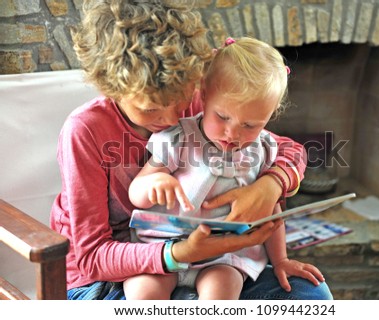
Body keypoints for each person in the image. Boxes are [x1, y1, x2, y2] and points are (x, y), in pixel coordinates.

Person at [50, 0, 333, 300]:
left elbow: (290, 150)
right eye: (151, 109)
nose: (173, 119)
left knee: (312, 296)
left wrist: (270, 185)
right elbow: (92, 257)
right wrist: (179, 254)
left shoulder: (200, 101)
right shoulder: (84, 131)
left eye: (181, 98)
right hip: (109, 274)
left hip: (213, 254)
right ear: (110, 89)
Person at [125, 37, 326, 300]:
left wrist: (281, 261)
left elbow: (270, 213)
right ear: (204, 95)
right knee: (143, 293)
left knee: (221, 293)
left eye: (250, 125)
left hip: (224, 256)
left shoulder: (262, 150)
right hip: (166, 245)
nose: (232, 133)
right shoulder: (180, 137)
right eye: (222, 117)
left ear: (271, 115)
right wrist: (153, 184)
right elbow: (135, 193)